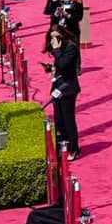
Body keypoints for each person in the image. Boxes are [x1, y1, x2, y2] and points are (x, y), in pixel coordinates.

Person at [45, 24, 82, 159]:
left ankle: (73, 149)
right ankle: (62, 146)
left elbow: (63, 64)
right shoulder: (58, 48)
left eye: (56, 37)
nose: (53, 40)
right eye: (51, 38)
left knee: (68, 119)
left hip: (68, 88)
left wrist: (56, 50)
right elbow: (59, 66)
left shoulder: (70, 47)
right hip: (57, 87)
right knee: (59, 120)